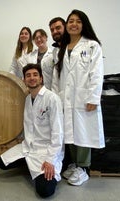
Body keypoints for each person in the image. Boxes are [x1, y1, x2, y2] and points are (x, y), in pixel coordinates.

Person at [52, 9, 105, 186]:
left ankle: (84, 168)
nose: (73, 24)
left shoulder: (92, 46)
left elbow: (96, 73)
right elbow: (57, 77)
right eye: (71, 21)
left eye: (78, 21)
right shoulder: (62, 49)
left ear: (84, 25)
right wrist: (56, 98)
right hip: (65, 98)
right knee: (70, 133)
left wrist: (93, 98)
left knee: (83, 133)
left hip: (83, 99)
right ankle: (74, 164)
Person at [0, 63, 64, 198]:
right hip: (29, 146)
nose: (32, 78)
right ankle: (29, 163)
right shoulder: (28, 99)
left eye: (35, 75)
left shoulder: (52, 99)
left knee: (45, 191)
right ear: (24, 80)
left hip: (46, 150)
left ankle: (58, 165)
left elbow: (58, 132)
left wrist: (50, 160)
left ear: (41, 78)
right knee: (0, 162)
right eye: (28, 75)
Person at [49, 17, 72, 172]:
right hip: (59, 96)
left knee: (74, 133)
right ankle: (68, 163)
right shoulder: (56, 50)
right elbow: (56, 77)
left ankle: (81, 167)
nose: (55, 31)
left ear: (65, 27)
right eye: (52, 29)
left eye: (58, 28)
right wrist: (55, 98)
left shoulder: (75, 47)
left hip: (73, 98)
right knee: (63, 132)